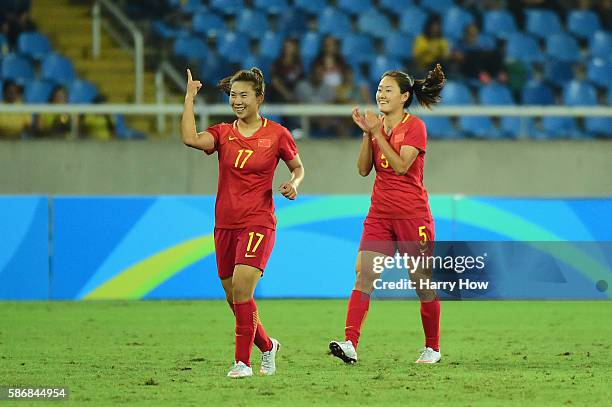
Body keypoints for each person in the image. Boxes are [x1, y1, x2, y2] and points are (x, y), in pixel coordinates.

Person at [181, 67, 304, 378]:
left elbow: (298, 168)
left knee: (241, 288)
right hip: (224, 224)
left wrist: (294, 183)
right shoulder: (223, 133)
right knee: (232, 295)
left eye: (243, 95)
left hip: (258, 221)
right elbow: (190, 139)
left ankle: (241, 362)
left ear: (259, 98)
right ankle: (267, 346)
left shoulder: (277, 134)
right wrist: (189, 99)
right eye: (233, 95)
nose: (236, 100)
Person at [329, 64, 446, 365]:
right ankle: (350, 343)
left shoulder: (415, 127)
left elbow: (401, 166)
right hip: (379, 214)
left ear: (404, 96)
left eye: (387, 90)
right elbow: (363, 169)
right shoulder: (376, 126)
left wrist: (377, 132)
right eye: (379, 89)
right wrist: (368, 135)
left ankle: (432, 347)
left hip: (413, 216)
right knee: (364, 274)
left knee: (420, 281)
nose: (381, 94)